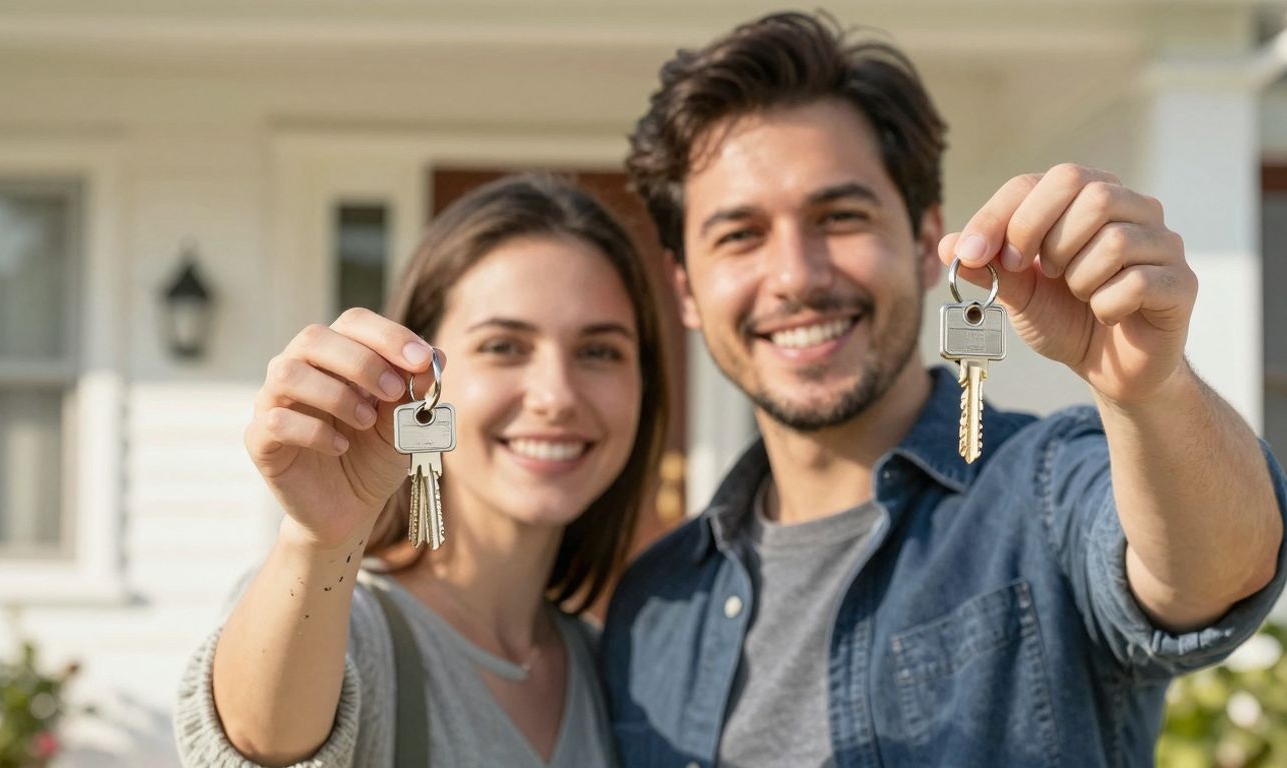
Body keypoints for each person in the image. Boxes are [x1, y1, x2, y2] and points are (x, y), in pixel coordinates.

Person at [602, 11, 1287, 767]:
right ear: (687, 289)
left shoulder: (1047, 486)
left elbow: (1216, 573)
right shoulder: (652, 607)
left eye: (840, 216)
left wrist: (1149, 391)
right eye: (740, 235)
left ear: (929, 242)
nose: (796, 275)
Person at [174, 174, 668, 767]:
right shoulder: (348, 619)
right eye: (504, 346)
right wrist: (321, 543)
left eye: (599, 351)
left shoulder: (604, 667)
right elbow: (256, 747)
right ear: (419, 378)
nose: (556, 396)